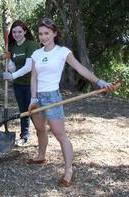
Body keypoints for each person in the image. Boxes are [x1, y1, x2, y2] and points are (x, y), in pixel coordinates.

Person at [28, 18, 115, 187]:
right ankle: (41, 155)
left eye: (47, 33)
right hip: (37, 97)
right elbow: (34, 77)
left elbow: (80, 68)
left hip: (52, 97)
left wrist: (100, 82)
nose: (43, 37)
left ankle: (69, 170)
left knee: (60, 135)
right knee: (40, 130)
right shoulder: (36, 54)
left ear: (54, 33)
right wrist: (33, 98)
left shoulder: (62, 52)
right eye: (40, 34)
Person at [2, 20, 39, 147]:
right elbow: (13, 68)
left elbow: (29, 67)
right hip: (18, 84)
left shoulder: (31, 45)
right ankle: (24, 136)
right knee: (23, 111)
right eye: (14, 32)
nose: (17, 34)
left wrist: (11, 76)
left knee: (33, 111)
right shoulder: (12, 47)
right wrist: (9, 60)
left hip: (31, 84)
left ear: (25, 32)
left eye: (19, 31)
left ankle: (41, 134)